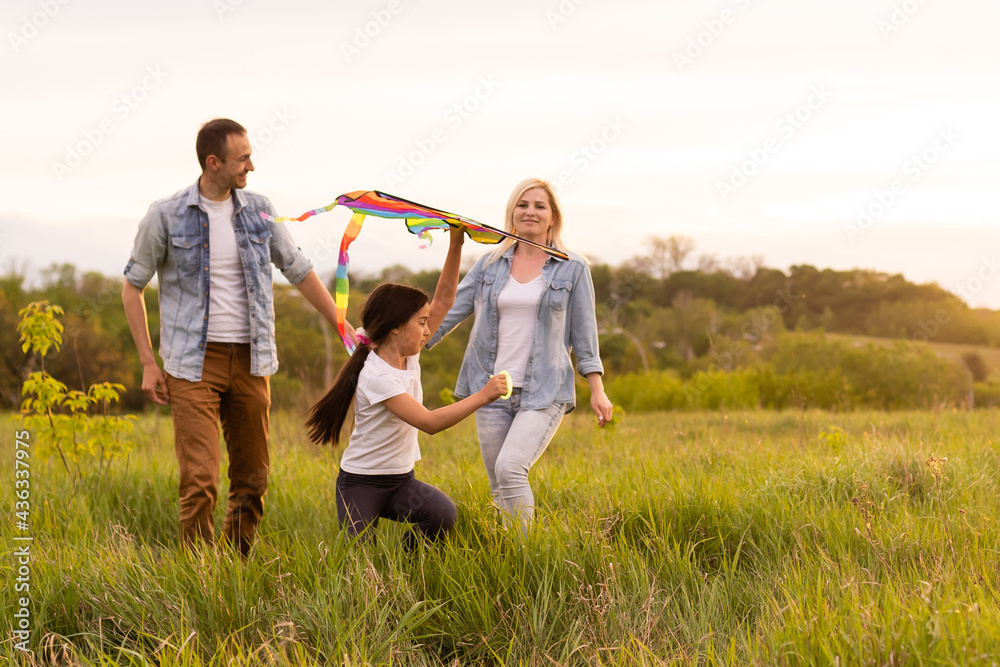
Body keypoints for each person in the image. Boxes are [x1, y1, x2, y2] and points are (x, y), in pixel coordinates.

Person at [121, 118, 343, 555]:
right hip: (191, 365)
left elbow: (298, 269)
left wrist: (341, 323)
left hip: (251, 361)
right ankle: (198, 578)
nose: (251, 166)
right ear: (214, 162)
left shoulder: (260, 210)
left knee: (253, 479)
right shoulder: (165, 216)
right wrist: (149, 362)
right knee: (200, 480)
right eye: (243, 158)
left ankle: (234, 569)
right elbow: (132, 286)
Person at [425, 178, 614, 530]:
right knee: (500, 486)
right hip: (491, 389)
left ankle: (529, 557)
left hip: (545, 389)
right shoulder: (487, 266)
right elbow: (449, 313)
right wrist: (407, 344)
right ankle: (507, 563)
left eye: (540, 206)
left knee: (511, 468)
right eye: (523, 204)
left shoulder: (573, 267)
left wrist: (597, 388)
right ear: (512, 212)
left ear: (553, 217)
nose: (530, 211)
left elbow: (585, 333)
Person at [305, 227, 508, 546]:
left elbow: (444, 298)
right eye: (422, 322)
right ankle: (375, 584)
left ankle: (406, 561)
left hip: (400, 483)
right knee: (359, 561)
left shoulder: (408, 356)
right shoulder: (377, 375)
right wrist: (483, 395)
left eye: (427, 321)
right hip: (361, 485)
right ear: (396, 328)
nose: (428, 329)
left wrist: (456, 242)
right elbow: (429, 423)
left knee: (442, 515)